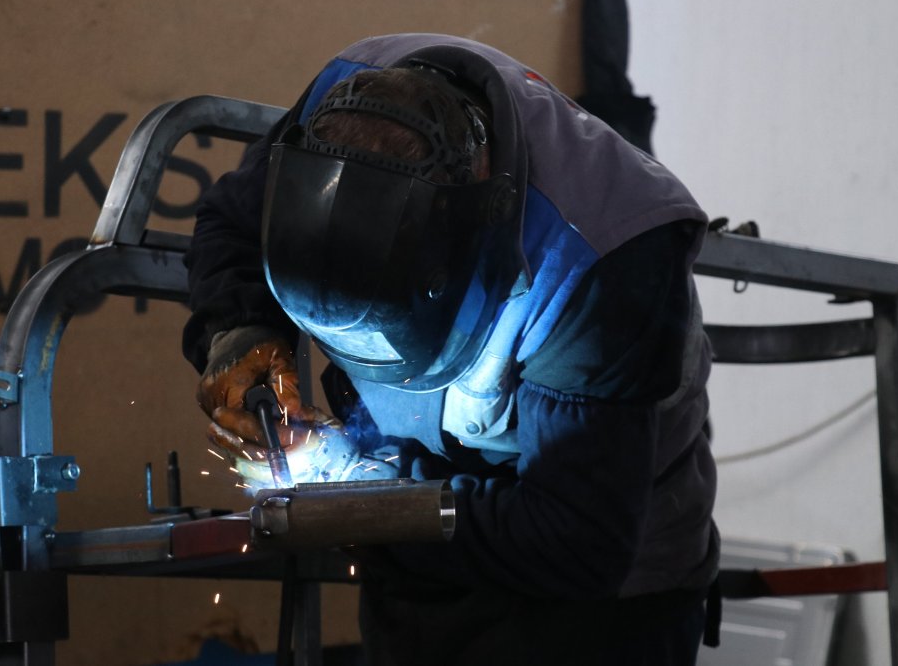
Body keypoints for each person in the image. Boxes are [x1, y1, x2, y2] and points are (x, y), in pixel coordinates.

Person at [183, 33, 718, 666]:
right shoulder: (336, 112)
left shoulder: (600, 260)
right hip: (423, 555)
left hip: (598, 602)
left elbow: (574, 542)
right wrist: (242, 331)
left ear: (471, 241)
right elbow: (231, 223)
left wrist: (366, 490)